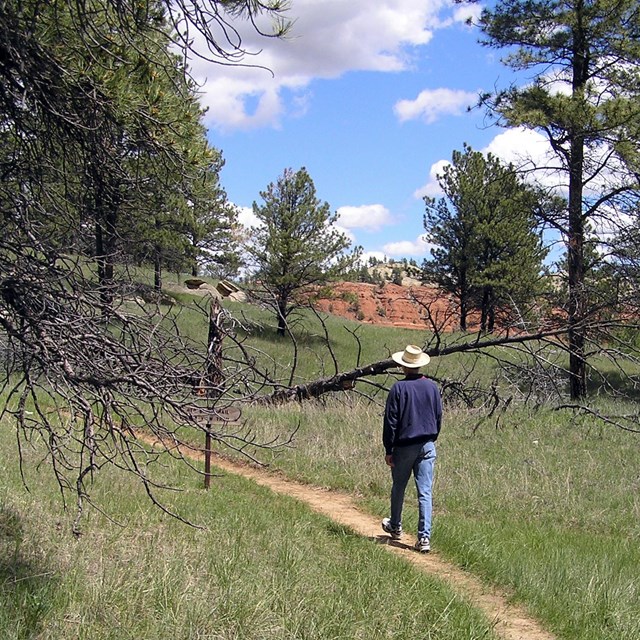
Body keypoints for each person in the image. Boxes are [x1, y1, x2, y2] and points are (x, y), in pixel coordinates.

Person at [381, 344, 442, 552]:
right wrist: (432, 438)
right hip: (427, 444)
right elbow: (438, 416)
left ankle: (396, 526)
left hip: (404, 446)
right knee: (425, 492)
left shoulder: (399, 388)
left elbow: (391, 422)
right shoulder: (432, 387)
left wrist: (389, 449)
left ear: (403, 366)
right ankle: (424, 538)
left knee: (399, 486)